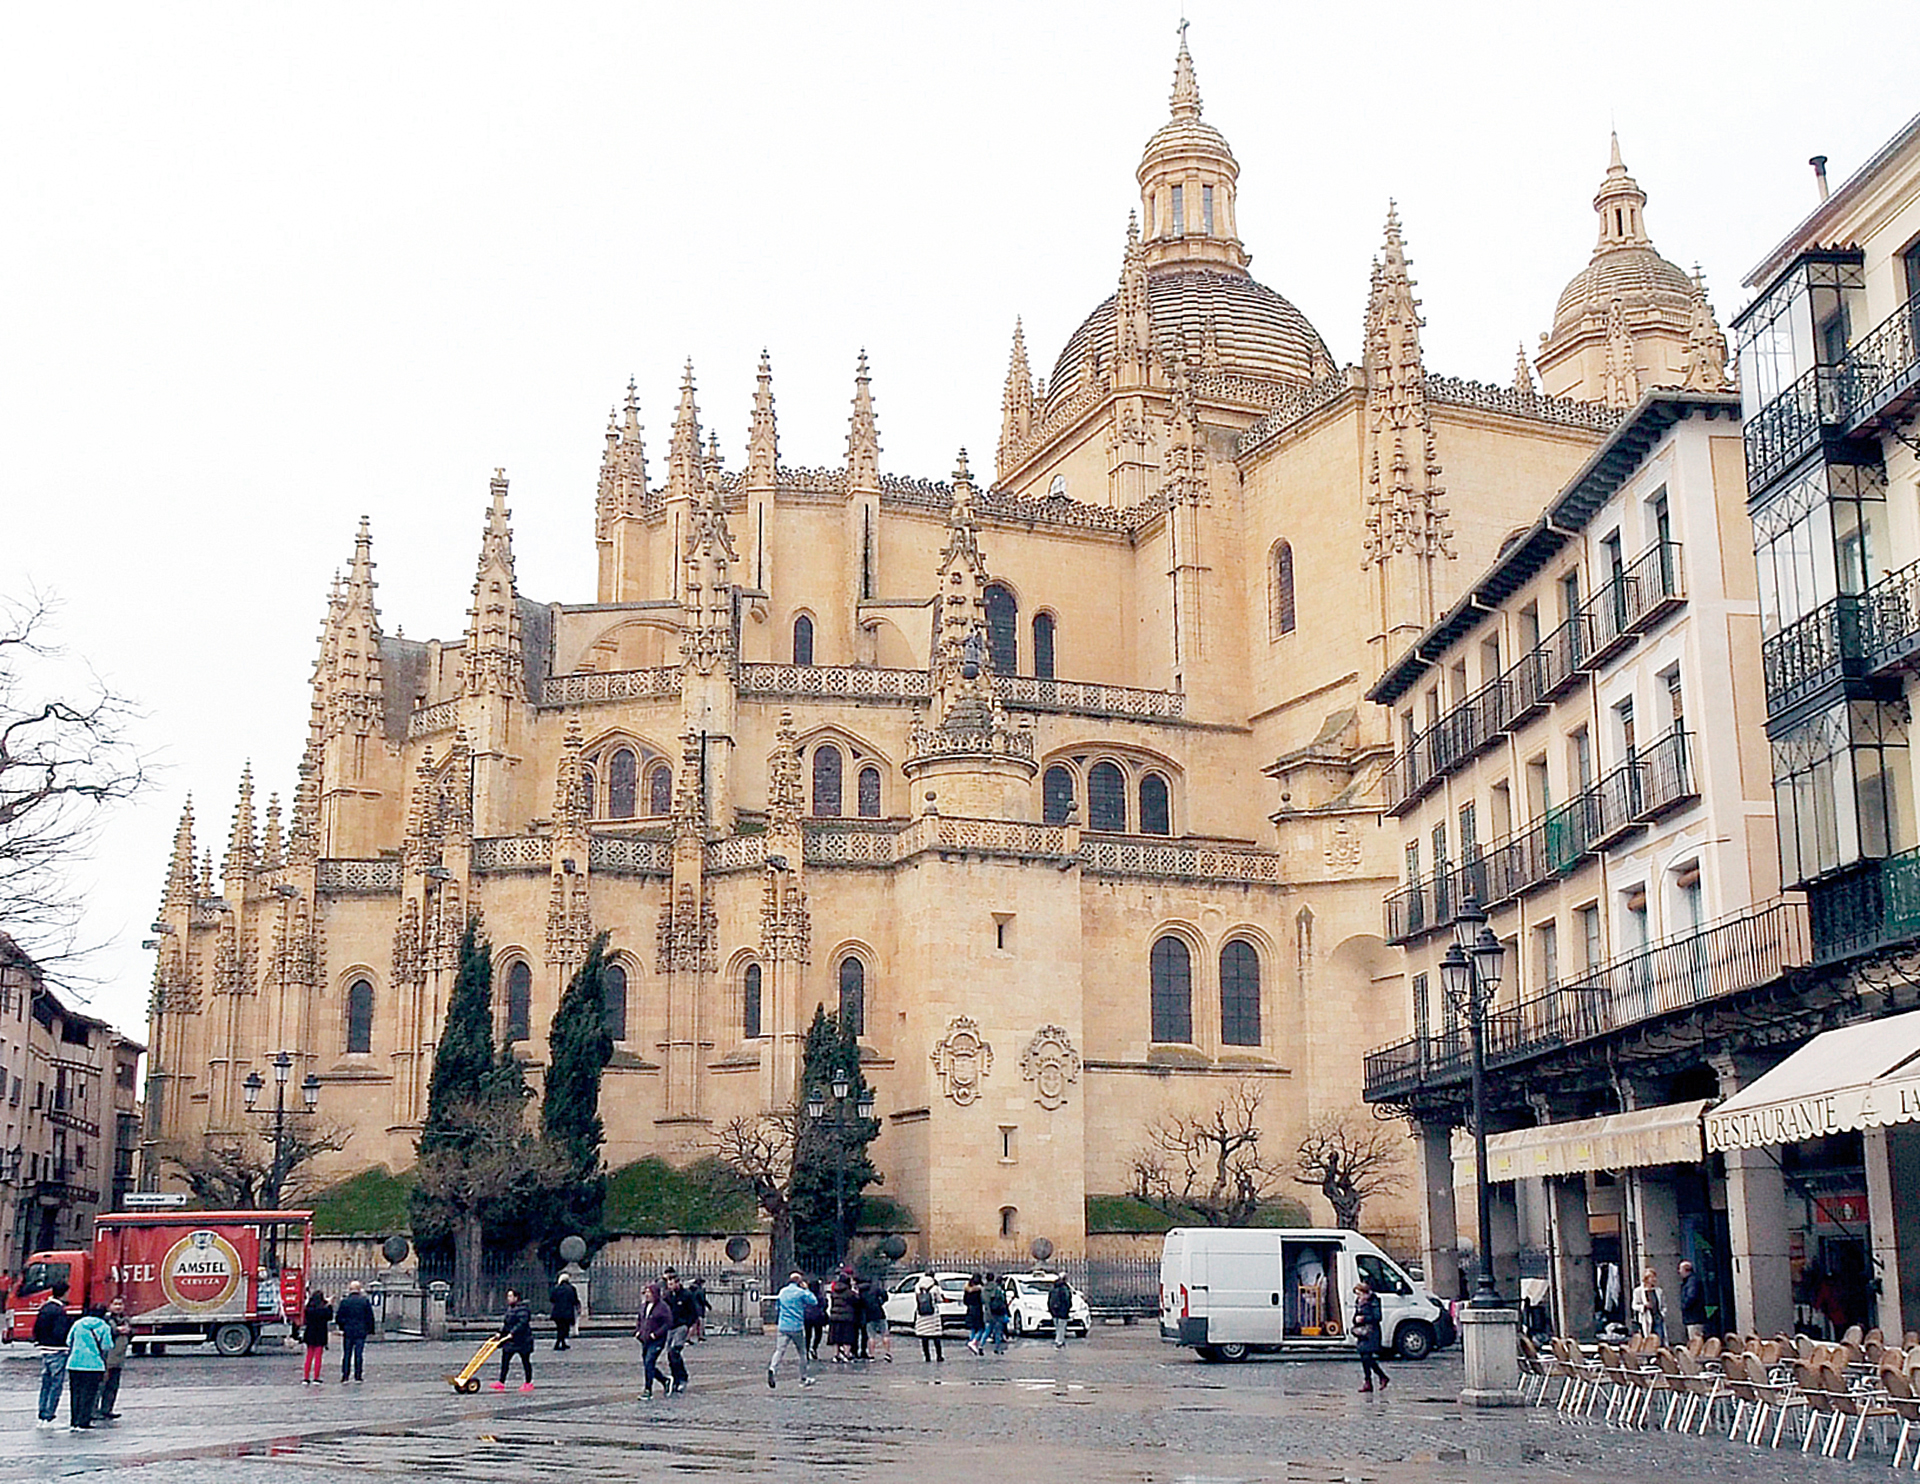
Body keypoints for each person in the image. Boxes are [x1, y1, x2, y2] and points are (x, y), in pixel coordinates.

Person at [65, 1304, 114, 1430]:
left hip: (74, 1363)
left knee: (75, 1393)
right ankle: (84, 1421)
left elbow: (68, 1341)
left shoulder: (78, 1324)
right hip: (94, 1365)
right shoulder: (104, 1327)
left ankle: (74, 1420)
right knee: (89, 1394)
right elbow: (107, 1345)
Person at [34, 1279, 73, 1428]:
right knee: (56, 1384)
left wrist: (39, 1342)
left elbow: (37, 1328)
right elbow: (60, 1331)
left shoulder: (45, 1308)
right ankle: (49, 1414)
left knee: (46, 1383)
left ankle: (42, 1412)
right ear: (64, 1293)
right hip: (58, 1349)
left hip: (45, 1349)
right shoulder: (59, 1311)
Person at [768, 1271, 814, 1387]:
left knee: (779, 1350)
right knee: (802, 1352)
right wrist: (806, 1289)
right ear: (799, 1282)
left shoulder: (782, 1291)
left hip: (783, 1326)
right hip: (796, 1326)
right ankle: (803, 1378)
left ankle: (772, 1368)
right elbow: (813, 1301)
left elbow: (777, 1307)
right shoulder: (800, 1293)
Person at [95, 1297, 132, 1421]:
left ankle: (107, 1409)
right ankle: (94, 1410)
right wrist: (116, 1330)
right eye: (115, 1304)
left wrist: (129, 1331)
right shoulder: (106, 1320)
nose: (118, 1307)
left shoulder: (125, 1320)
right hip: (107, 1358)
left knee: (113, 1385)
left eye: (120, 1304)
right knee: (101, 1384)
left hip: (119, 1358)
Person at [492, 1288, 534, 1391]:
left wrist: (512, 1332)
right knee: (505, 1360)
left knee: (525, 1361)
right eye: (508, 1297)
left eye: (510, 1296)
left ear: (516, 1298)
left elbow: (522, 1323)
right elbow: (507, 1324)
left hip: (523, 1340)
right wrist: (500, 1333)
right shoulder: (510, 1309)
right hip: (511, 1341)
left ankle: (528, 1382)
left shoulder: (523, 1310)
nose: (508, 1299)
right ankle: (501, 1381)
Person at [1353, 1279, 1390, 1393]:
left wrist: (1364, 1318)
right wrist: (1355, 1320)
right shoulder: (1358, 1302)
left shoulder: (1374, 1301)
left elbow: (1378, 1317)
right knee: (1364, 1357)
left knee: (1367, 1357)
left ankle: (1377, 1378)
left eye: (1359, 1294)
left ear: (1365, 1293)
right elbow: (1355, 1316)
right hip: (1362, 1332)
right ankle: (1371, 1381)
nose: (1358, 1297)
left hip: (1371, 1332)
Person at [636, 1281, 672, 1399]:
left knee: (649, 1361)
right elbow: (640, 1319)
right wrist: (638, 1331)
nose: (647, 1295)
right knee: (648, 1363)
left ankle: (648, 1389)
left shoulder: (662, 1307)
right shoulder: (644, 1306)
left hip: (657, 1340)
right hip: (645, 1339)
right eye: (646, 1292)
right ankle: (665, 1380)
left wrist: (656, 1334)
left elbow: (667, 1323)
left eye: (649, 1292)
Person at [664, 1270, 697, 1393]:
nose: (670, 1286)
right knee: (670, 1354)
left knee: (675, 1350)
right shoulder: (667, 1296)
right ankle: (676, 1376)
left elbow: (693, 1312)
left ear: (678, 1283)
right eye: (668, 1283)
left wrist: (688, 1326)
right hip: (670, 1327)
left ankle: (682, 1377)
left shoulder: (686, 1295)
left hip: (681, 1326)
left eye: (672, 1283)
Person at [336, 1280, 374, 1382]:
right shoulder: (364, 1301)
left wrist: (342, 1327)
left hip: (348, 1331)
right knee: (359, 1354)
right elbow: (369, 1317)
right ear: (359, 1289)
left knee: (347, 1354)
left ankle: (345, 1375)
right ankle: (358, 1375)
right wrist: (369, 1330)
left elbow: (339, 1317)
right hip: (360, 1331)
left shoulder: (345, 1301)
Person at [300, 1286, 333, 1385]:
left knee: (309, 1356)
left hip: (310, 1333)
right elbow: (330, 1317)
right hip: (320, 1334)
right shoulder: (323, 1310)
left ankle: (306, 1377)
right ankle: (316, 1377)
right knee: (318, 1357)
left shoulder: (309, 1309)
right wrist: (329, 1304)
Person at [827, 1268, 859, 1362]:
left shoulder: (834, 1292)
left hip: (835, 1316)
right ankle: (846, 1353)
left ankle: (836, 1354)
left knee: (836, 1337)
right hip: (847, 1316)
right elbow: (856, 1301)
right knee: (847, 1337)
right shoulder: (849, 1293)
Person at [912, 1272, 944, 1362]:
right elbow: (939, 1299)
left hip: (921, 1313)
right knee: (935, 1335)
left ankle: (927, 1356)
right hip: (933, 1313)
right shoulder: (935, 1287)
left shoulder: (918, 1286)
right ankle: (939, 1355)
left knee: (924, 1336)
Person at [1631, 1267, 1667, 1342]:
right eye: (1652, 1277)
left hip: (1657, 1317)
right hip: (1646, 1317)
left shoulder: (1658, 1291)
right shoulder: (1638, 1291)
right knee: (1648, 1337)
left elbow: (1663, 1303)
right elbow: (1634, 1305)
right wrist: (1643, 1307)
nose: (1654, 1279)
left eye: (1654, 1277)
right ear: (1646, 1279)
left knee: (1659, 1337)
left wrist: (1663, 1313)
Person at [864, 1274, 893, 1363]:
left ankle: (872, 1355)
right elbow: (885, 1296)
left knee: (871, 1336)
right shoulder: (876, 1288)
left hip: (868, 1315)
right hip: (879, 1313)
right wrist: (880, 1302)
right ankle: (887, 1353)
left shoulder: (863, 1291)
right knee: (885, 1334)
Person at [1677, 1260, 1707, 1346]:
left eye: (1680, 1269)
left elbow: (1691, 1296)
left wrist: (1684, 1306)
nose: (1679, 1272)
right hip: (1692, 1317)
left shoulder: (1692, 1281)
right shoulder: (1689, 1281)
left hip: (1694, 1317)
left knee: (1696, 1341)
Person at [549, 1273, 580, 1351]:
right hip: (567, 1312)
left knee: (560, 1328)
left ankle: (562, 1343)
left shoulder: (556, 1288)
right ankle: (557, 1344)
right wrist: (578, 1307)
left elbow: (552, 1299)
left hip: (557, 1312)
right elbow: (574, 1300)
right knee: (564, 1329)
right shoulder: (571, 1288)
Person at [984, 1273, 1010, 1354]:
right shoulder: (997, 1289)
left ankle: (980, 1344)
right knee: (998, 1330)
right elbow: (1002, 1300)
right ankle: (997, 1348)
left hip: (991, 1310)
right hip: (998, 1311)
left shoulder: (984, 1288)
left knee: (989, 1329)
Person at [1047, 1274, 1074, 1349]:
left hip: (1054, 1310)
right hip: (1062, 1310)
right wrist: (1068, 1307)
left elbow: (1049, 1299)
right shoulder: (1064, 1288)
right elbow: (1067, 1299)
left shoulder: (1053, 1287)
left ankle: (1058, 1340)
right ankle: (1059, 1341)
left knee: (1057, 1326)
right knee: (1062, 1326)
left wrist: (1051, 1308)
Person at [962, 1273, 986, 1356]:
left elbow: (965, 1300)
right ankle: (974, 1342)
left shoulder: (967, 1288)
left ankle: (971, 1341)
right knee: (981, 1328)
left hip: (970, 1309)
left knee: (972, 1327)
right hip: (977, 1309)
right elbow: (982, 1300)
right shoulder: (980, 1289)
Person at [803, 1277, 826, 1360]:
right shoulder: (820, 1295)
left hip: (807, 1316)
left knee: (808, 1334)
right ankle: (814, 1347)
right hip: (817, 1316)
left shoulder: (806, 1294)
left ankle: (807, 1349)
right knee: (818, 1333)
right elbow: (824, 1304)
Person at [688, 1277, 710, 1341]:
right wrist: (708, 1305)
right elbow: (703, 1300)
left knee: (694, 1323)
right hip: (699, 1308)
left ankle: (690, 1337)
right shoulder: (700, 1290)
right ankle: (699, 1336)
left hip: (692, 1308)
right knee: (699, 1323)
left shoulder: (691, 1289)